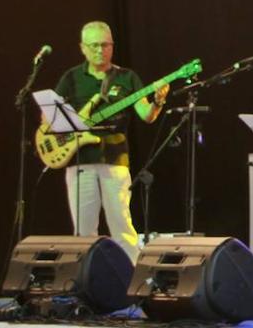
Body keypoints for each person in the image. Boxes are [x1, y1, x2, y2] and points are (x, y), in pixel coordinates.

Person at [54, 21, 168, 261]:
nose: (100, 50)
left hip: (115, 158)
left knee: (122, 225)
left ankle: (133, 282)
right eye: (94, 45)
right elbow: (51, 117)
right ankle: (86, 283)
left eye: (105, 45)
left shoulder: (127, 78)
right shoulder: (71, 78)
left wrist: (158, 101)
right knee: (83, 232)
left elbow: (146, 116)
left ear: (112, 46)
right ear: (82, 48)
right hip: (79, 160)